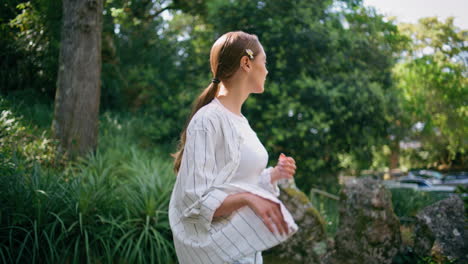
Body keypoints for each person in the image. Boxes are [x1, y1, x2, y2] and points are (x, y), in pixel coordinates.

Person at [169, 31, 299, 264]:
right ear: (246, 63)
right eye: (264, 62)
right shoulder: (207, 121)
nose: (267, 70)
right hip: (219, 257)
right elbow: (194, 203)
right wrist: (248, 198)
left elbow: (236, 185)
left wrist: (273, 175)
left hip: (245, 254)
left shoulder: (241, 122)